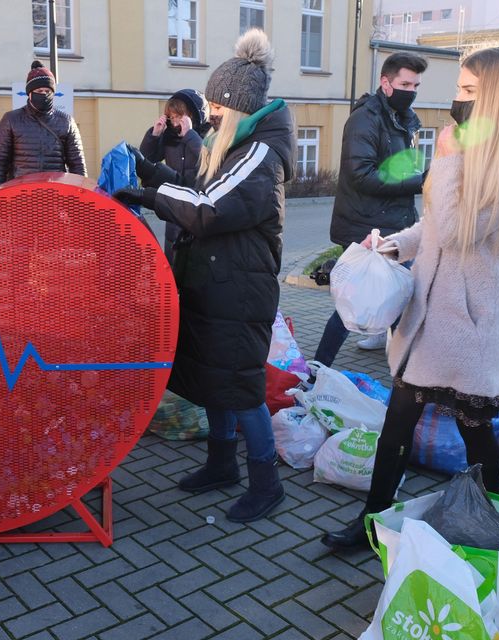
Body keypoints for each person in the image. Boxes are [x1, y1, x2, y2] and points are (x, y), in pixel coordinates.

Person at [321, 43, 499, 550]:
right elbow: (431, 228)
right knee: (397, 420)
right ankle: (372, 522)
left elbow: (458, 234)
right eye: (457, 90)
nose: (459, 102)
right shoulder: (469, 152)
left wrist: (445, 162)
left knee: (474, 432)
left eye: (469, 91)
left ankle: (488, 527)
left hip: (471, 323)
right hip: (426, 317)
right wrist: (391, 244)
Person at [113, 29, 296, 523]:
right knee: (216, 378)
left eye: (216, 105)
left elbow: (209, 208)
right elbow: (193, 189)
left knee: (243, 388)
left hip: (239, 291)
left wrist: (148, 199)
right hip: (214, 285)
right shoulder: (232, 145)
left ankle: (266, 483)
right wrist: (148, 171)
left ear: (236, 107)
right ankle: (221, 465)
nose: (208, 114)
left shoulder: (260, 156)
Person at [314, 52, 428, 364]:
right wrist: (418, 182)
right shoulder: (366, 119)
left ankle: (403, 372)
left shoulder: (399, 118)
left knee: (393, 300)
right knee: (357, 305)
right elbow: (361, 175)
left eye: (416, 85)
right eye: (405, 83)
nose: (411, 91)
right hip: (367, 226)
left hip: (393, 223)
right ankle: (317, 371)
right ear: (385, 83)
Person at [138, 89, 208, 262]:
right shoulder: (169, 137)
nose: (175, 121)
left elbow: (208, 159)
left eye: (179, 116)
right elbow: (147, 160)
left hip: (199, 208)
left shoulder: (208, 135)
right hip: (175, 208)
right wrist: (154, 135)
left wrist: (190, 135)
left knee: (195, 263)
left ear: (193, 115)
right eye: (172, 116)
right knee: (173, 259)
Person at [0, 61, 86, 187]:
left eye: (48, 91)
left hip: (56, 192)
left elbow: (77, 164)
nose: (44, 94)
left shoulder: (66, 121)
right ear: (29, 93)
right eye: (39, 91)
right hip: (21, 193)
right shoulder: (11, 119)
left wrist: (81, 196)